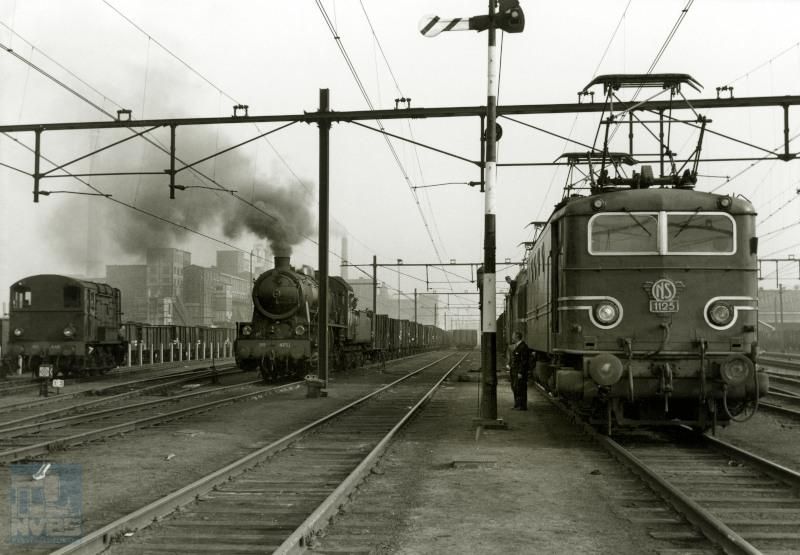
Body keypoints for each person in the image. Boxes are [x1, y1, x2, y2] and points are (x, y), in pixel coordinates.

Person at [506, 331, 530, 410]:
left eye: (513, 336)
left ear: (517, 337)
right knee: (515, 388)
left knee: (521, 389)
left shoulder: (523, 347)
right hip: (514, 371)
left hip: (519, 372)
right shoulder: (517, 346)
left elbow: (524, 361)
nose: (512, 337)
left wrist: (520, 372)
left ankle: (522, 406)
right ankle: (517, 404)